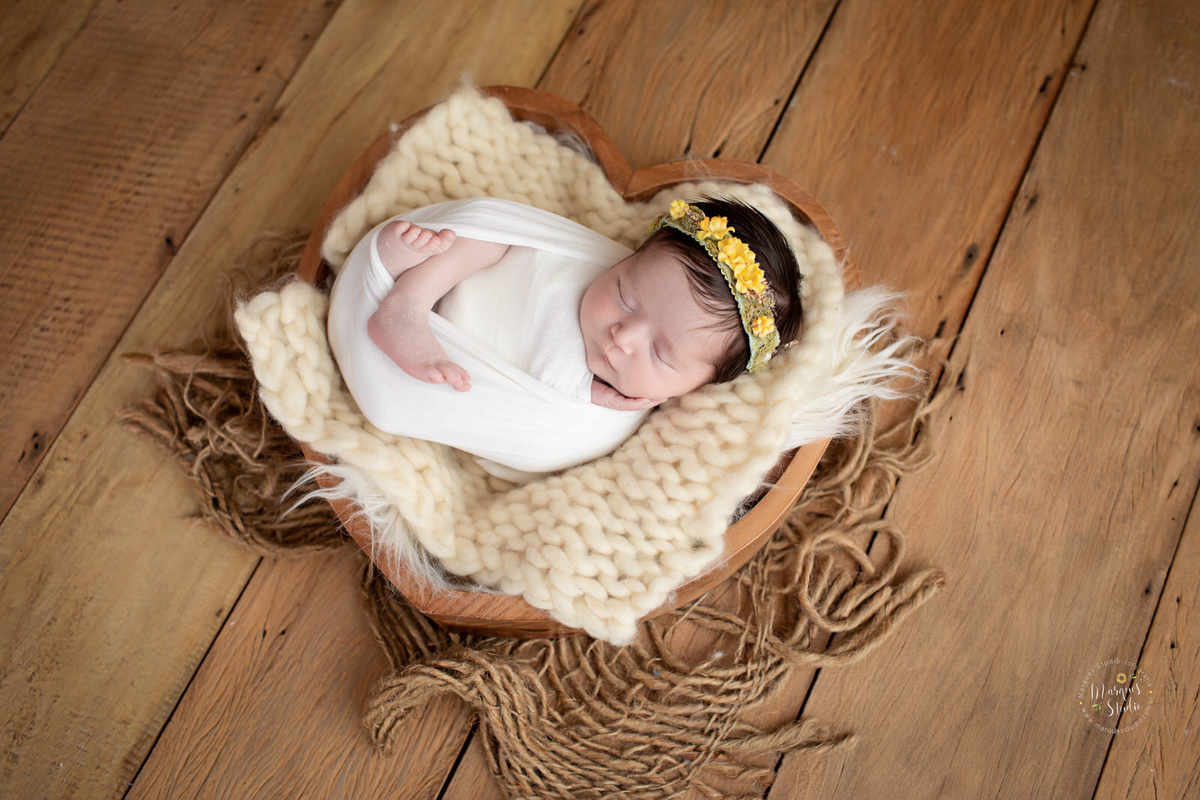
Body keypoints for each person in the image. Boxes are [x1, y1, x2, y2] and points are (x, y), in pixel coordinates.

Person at [326, 195, 804, 481]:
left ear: (695, 389)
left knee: (404, 402)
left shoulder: (610, 410)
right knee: (489, 231)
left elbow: (541, 437)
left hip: (461, 360)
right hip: (448, 286)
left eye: (660, 352)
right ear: (626, 259)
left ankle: (390, 281)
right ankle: (402, 294)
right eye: (626, 295)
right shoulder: (587, 262)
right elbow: (525, 236)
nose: (624, 335)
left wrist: (593, 394)